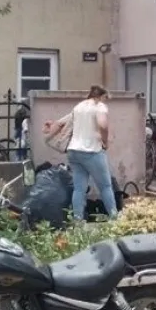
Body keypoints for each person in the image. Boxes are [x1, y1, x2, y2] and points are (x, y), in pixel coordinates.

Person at [42, 85, 118, 221]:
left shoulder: (79, 107)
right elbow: (103, 124)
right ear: (101, 96)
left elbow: (60, 124)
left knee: (79, 189)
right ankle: (114, 218)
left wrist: (47, 136)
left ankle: (77, 222)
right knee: (105, 186)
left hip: (74, 152)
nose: (105, 102)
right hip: (92, 152)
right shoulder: (99, 106)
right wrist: (105, 141)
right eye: (105, 98)